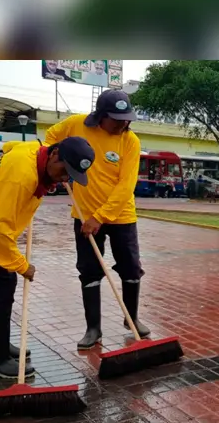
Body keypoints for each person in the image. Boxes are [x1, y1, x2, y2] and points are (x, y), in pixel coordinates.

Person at [0, 137, 94, 377]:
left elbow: (10, 146)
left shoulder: (33, 151)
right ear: (54, 154)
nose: (65, 179)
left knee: (1, 291)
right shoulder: (21, 177)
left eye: (71, 175)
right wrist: (22, 265)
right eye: (64, 170)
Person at [45, 89, 147, 349]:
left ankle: (131, 318)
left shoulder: (130, 141)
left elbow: (126, 186)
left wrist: (100, 217)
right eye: (117, 119)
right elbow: (50, 140)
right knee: (89, 270)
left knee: (131, 268)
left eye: (127, 118)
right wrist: (60, 164)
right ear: (101, 116)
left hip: (121, 215)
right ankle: (93, 329)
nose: (124, 123)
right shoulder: (76, 124)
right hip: (84, 214)